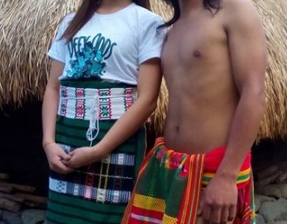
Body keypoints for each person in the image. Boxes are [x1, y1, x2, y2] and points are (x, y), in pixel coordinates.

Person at [122, 0, 266, 223]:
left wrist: (227, 176)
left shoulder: (235, 9)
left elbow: (253, 92)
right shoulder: (172, 28)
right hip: (170, 168)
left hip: (214, 172)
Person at [42, 0, 166, 223]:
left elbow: (148, 99)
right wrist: (49, 144)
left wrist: (99, 150)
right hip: (66, 140)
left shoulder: (147, 23)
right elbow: (53, 88)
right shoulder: (71, 23)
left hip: (115, 142)